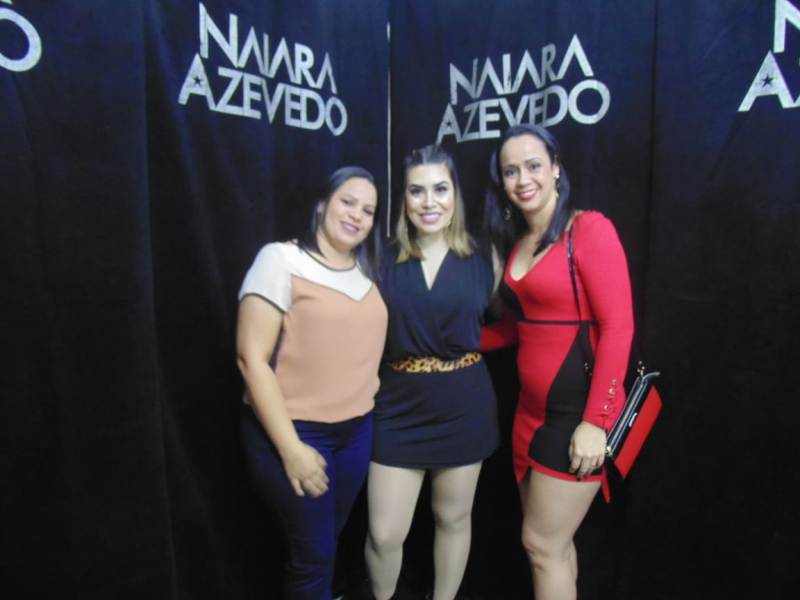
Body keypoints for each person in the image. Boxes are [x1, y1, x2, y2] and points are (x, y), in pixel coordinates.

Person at [481, 125, 634, 600]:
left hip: (577, 415)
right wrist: (455, 343)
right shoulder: (520, 240)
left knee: (541, 545)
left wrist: (596, 422)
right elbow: (521, 326)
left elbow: (618, 327)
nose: (522, 179)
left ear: (555, 169)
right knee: (553, 548)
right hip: (530, 414)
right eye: (510, 171)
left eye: (533, 166)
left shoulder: (589, 229)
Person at [236, 167, 388, 600]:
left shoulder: (367, 273)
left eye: (368, 210)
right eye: (347, 202)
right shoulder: (280, 260)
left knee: (324, 544)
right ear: (323, 204)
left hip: (356, 432)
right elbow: (251, 359)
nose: (357, 215)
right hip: (296, 432)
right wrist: (291, 450)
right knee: (314, 556)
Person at [365, 145, 499, 600]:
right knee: (384, 534)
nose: (429, 202)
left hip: (464, 406)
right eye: (416, 191)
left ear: (455, 194)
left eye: (440, 189)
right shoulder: (378, 258)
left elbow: (509, 326)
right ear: (403, 199)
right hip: (397, 406)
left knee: (454, 519)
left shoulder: (485, 257)